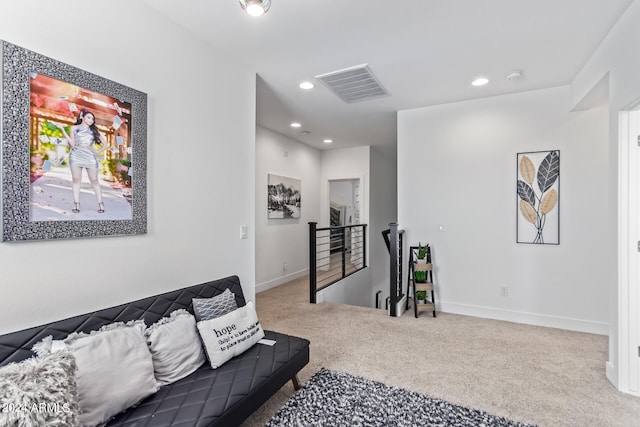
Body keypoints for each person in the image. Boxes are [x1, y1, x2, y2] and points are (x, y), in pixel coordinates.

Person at [56, 109, 108, 213]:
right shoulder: (74, 128)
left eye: (92, 119)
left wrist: (96, 151)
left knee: (94, 180)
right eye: (89, 117)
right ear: (82, 116)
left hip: (89, 156)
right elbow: (72, 144)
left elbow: (106, 145)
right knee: (76, 179)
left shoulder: (94, 131)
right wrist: (62, 130)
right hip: (75, 155)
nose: (91, 120)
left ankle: (100, 203)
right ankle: (76, 203)